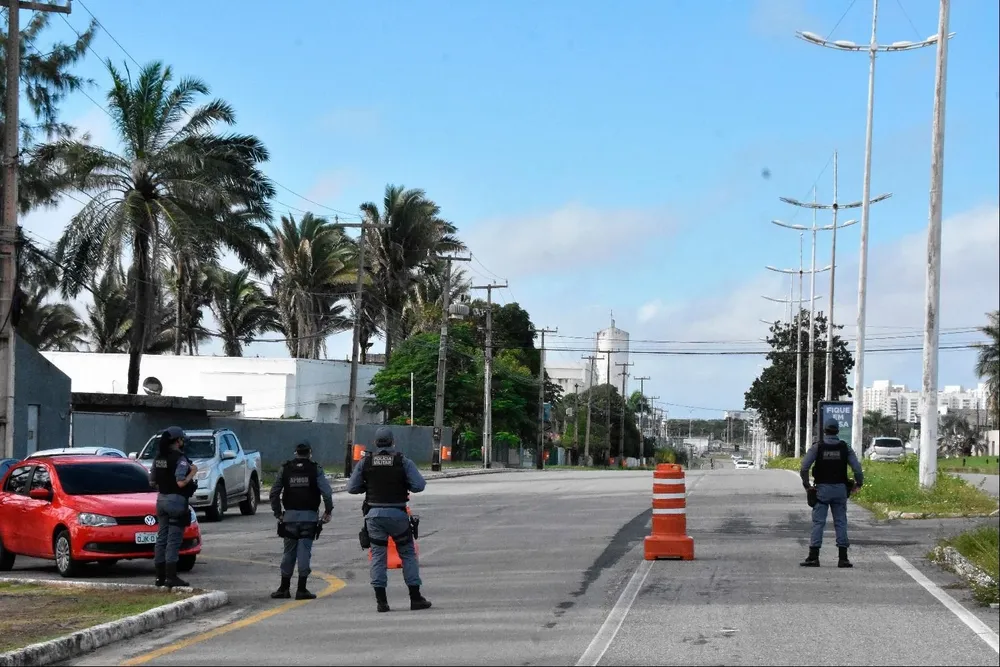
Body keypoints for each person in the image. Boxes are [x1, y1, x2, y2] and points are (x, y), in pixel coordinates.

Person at [347, 427, 431, 613]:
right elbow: (419, 485)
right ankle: (415, 598)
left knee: (378, 555)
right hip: (397, 514)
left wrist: (366, 487)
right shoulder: (403, 461)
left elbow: (352, 488)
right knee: (407, 553)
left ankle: (381, 602)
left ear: (375, 443)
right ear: (393, 442)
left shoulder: (366, 462)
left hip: (374, 515)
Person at [269, 442, 334, 600]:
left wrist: (278, 513)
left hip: (289, 518)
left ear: (295, 453)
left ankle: (284, 588)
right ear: (310, 453)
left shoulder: (285, 468)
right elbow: (326, 492)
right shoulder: (315, 469)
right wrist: (328, 511)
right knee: (304, 552)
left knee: (288, 553)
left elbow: (274, 492)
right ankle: (301, 589)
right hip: (309, 518)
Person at [799, 418, 864, 568]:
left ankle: (813, 557)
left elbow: (804, 467)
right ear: (837, 431)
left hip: (822, 490)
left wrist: (807, 485)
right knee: (841, 522)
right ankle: (843, 558)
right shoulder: (845, 447)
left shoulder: (817, 447)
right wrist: (858, 484)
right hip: (840, 490)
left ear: (824, 431)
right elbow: (857, 469)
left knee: (818, 523)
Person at [149, 426, 197, 589]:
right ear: (177, 441)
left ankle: (159, 577)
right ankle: (171, 576)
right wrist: (192, 472)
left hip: (161, 500)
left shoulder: (158, 458)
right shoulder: (180, 459)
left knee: (161, 538)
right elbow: (180, 482)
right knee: (173, 540)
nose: (183, 442)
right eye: (182, 439)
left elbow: (152, 481)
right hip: (176, 501)